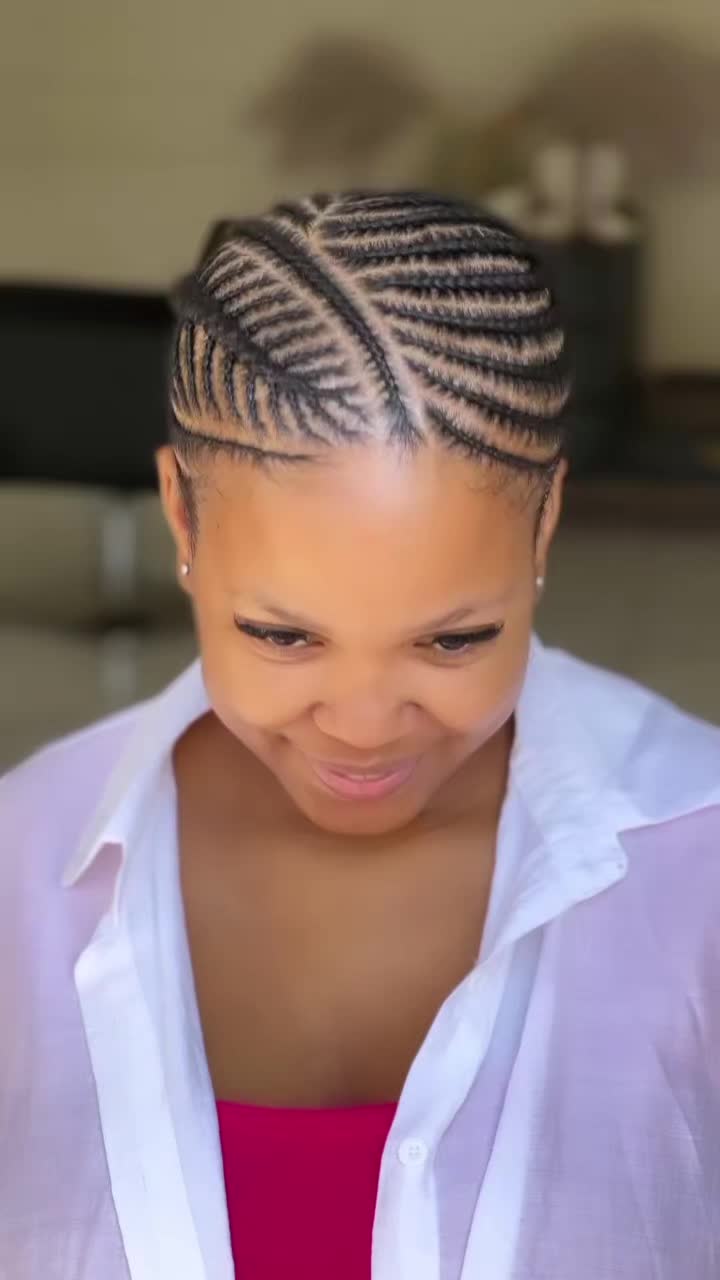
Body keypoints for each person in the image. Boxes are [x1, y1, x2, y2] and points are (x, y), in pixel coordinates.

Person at [2, 190, 719, 1280]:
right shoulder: (20, 865)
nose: (364, 727)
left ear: (545, 523)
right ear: (181, 514)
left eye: (453, 639)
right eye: (284, 634)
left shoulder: (700, 864)